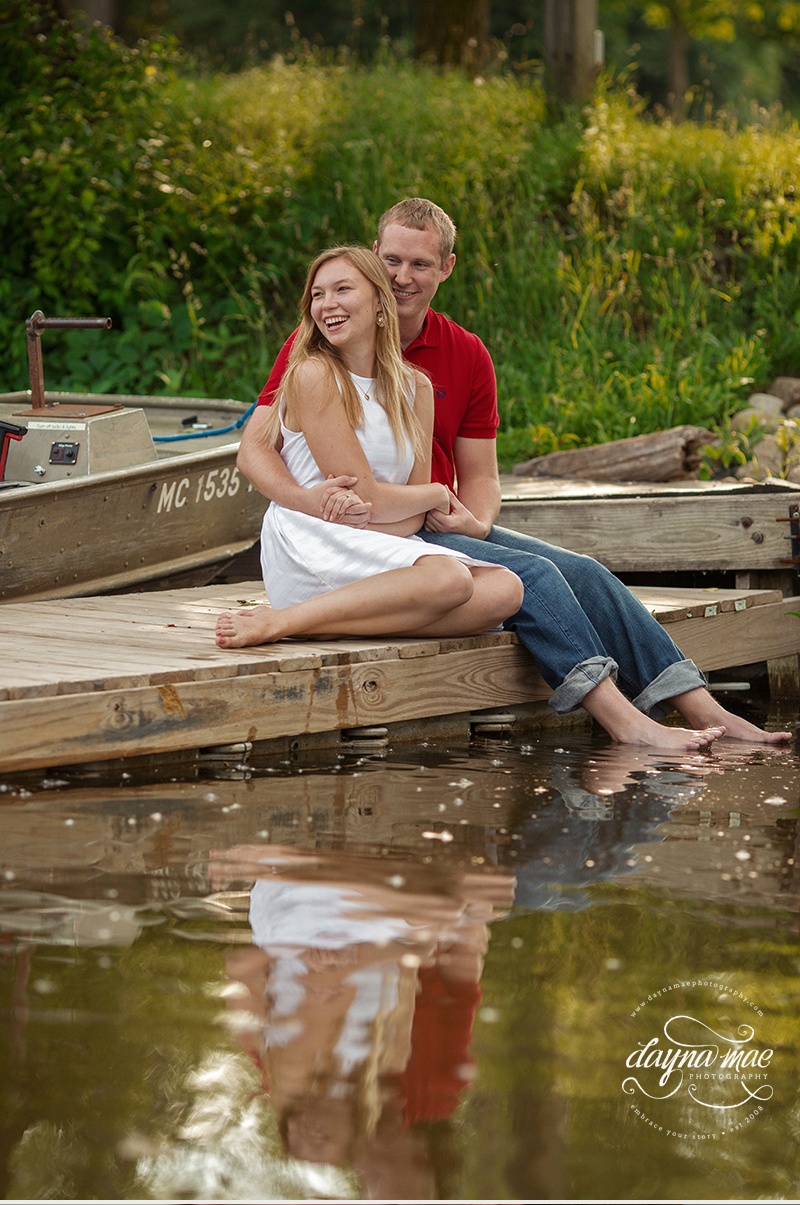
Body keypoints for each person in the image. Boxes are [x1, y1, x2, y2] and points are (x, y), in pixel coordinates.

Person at [235, 198, 791, 751]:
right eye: (393, 261)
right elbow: (257, 451)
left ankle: (703, 708)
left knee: (587, 573)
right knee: (541, 578)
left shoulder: (461, 357)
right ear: (375, 260)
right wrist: (307, 501)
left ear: (446, 268)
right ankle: (625, 723)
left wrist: (475, 525)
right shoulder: (322, 341)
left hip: (433, 518)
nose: (403, 277)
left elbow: (480, 475)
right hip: (376, 522)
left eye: (420, 264)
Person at [215, 245, 524, 650]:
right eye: (317, 295)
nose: (327, 305)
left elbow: (407, 517)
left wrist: (396, 506)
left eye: (342, 289)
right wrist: (434, 493)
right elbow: (382, 498)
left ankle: (327, 622)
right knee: (448, 579)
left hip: (379, 536)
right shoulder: (314, 373)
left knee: (506, 589)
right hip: (314, 537)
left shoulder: (416, 389)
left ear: (380, 302)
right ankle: (284, 620)